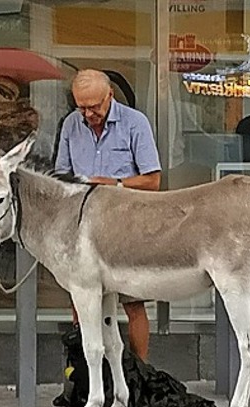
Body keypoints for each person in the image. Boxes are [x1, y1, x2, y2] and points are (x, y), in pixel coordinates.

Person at [55, 69, 162, 363]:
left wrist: (111, 183)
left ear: (110, 96)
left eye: (95, 107)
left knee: (133, 303)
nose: (88, 114)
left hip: (126, 225)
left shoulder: (134, 123)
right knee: (81, 301)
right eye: (82, 107)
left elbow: (153, 180)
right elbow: (61, 175)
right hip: (84, 227)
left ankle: (141, 371)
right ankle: (84, 372)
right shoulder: (70, 125)